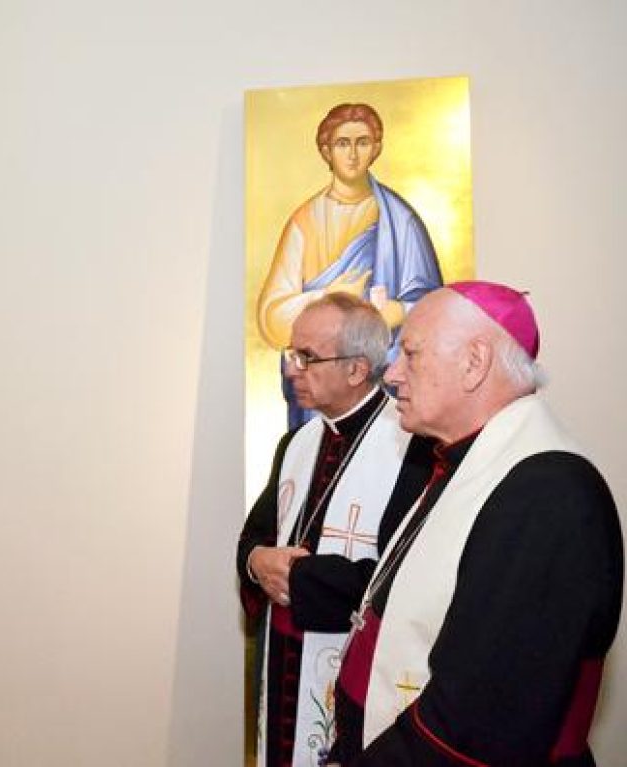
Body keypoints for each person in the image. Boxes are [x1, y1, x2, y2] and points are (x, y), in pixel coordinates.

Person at [329, 282, 623, 765]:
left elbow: (475, 725)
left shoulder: (550, 495)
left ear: (474, 363)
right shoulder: (457, 463)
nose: (394, 374)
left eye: (411, 354)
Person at [237, 293, 435, 767]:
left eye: (307, 357)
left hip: (352, 672)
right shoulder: (297, 442)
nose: (292, 369)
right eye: (292, 354)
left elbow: (405, 578)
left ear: (357, 369)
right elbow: (255, 536)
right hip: (283, 659)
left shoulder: (414, 450)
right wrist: (256, 561)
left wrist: (301, 579)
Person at [256, 102, 443, 429]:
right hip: (320, 395)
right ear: (326, 150)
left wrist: (395, 312)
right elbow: (271, 319)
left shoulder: (401, 222)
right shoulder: (306, 222)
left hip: (385, 385)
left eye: (362, 142)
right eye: (343, 143)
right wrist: (326, 296)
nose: (353, 154)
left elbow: (435, 306)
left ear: (376, 148)